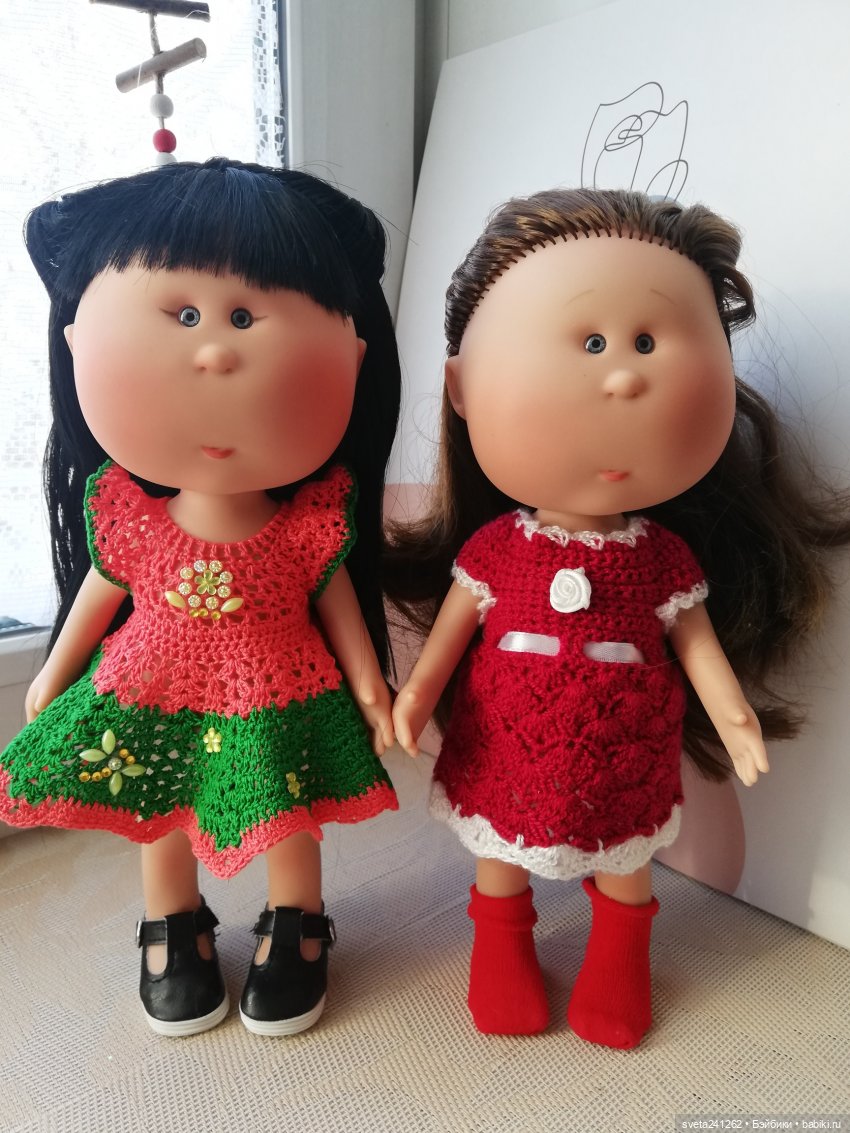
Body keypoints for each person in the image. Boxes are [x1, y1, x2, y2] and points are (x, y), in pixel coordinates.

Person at [387, 188, 850, 1049]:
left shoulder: (661, 560)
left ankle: (619, 957)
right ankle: (501, 947)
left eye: (647, 342)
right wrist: (414, 699)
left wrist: (735, 716)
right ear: (460, 390)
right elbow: (447, 642)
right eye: (592, 342)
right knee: (500, 851)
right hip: (506, 742)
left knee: (628, 856)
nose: (624, 375)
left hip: (626, 742)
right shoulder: (495, 552)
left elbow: (698, 648)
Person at [0, 158, 402, 1038]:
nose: (215, 350)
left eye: (245, 317)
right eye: (183, 314)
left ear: (355, 359)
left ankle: (297, 918)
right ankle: (171, 922)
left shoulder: (308, 528)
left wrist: (372, 687)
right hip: (154, 688)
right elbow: (100, 593)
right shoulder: (131, 521)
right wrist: (54, 673)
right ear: (75, 343)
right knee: (158, 800)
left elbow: (336, 603)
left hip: (278, 693)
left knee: (285, 805)